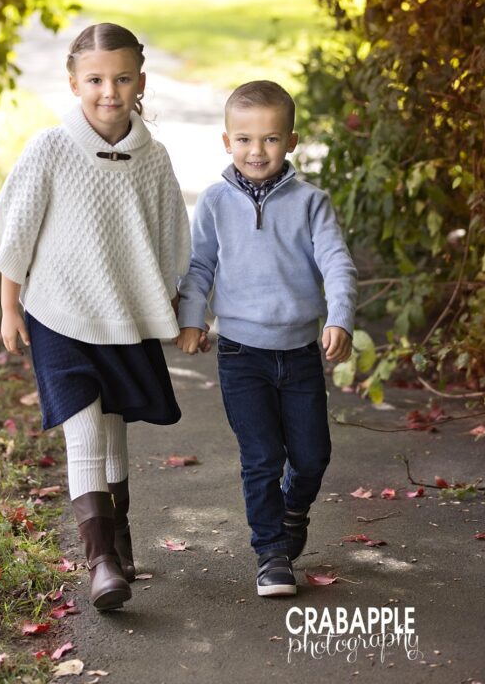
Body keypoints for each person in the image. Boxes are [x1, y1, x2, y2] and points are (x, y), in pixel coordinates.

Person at [0, 23, 190, 611]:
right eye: (96, 79)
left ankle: (119, 533)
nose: (109, 91)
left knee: (113, 426)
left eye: (122, 78)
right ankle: (99, 559)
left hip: (122, 312)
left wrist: (177, 304)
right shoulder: (50, 149)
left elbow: (171, 235)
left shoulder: (153, 158)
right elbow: (16, 233)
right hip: (58, 312)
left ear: (140, 83)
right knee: (82, 425)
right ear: (74, 82)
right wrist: (8, 307)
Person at [176, 80, 357, 598]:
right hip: (239, 353)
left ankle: (293, 507)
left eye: (271, 139)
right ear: (226, 141)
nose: (257, 151)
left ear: (292, 141)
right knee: (260, 456)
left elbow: (336, 262)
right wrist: (193, 319)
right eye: (245, 140)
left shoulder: (310, 202)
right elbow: (200, 264)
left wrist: (339, 317)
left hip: (299, 353)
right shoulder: (214, 201)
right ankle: (271, 554)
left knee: (311, 456)